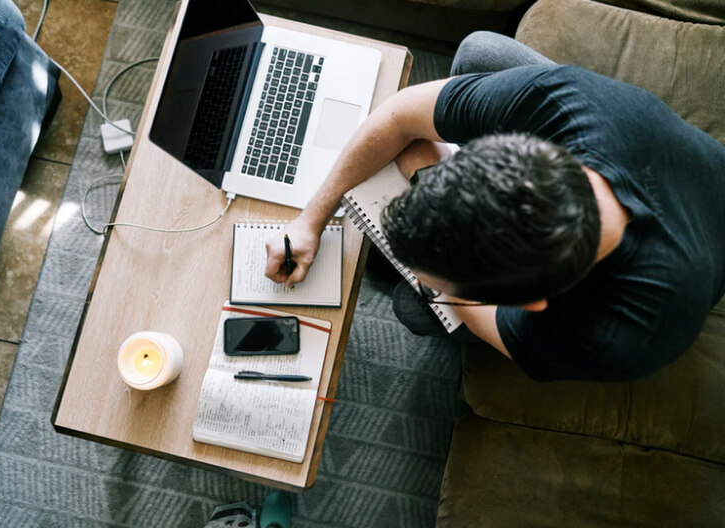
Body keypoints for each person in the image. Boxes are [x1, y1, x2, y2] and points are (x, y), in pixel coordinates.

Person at [264, 31, 725, 382]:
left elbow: (495, 325)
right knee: (480, 52)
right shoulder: (565, 103)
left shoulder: (611, 336)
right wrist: (311, 219)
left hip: (696, 268)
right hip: (684, 177)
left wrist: (437, 294)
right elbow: (401, 114)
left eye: (447, 286)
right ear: (510, 147)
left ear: (531, 303)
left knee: (413, 306)